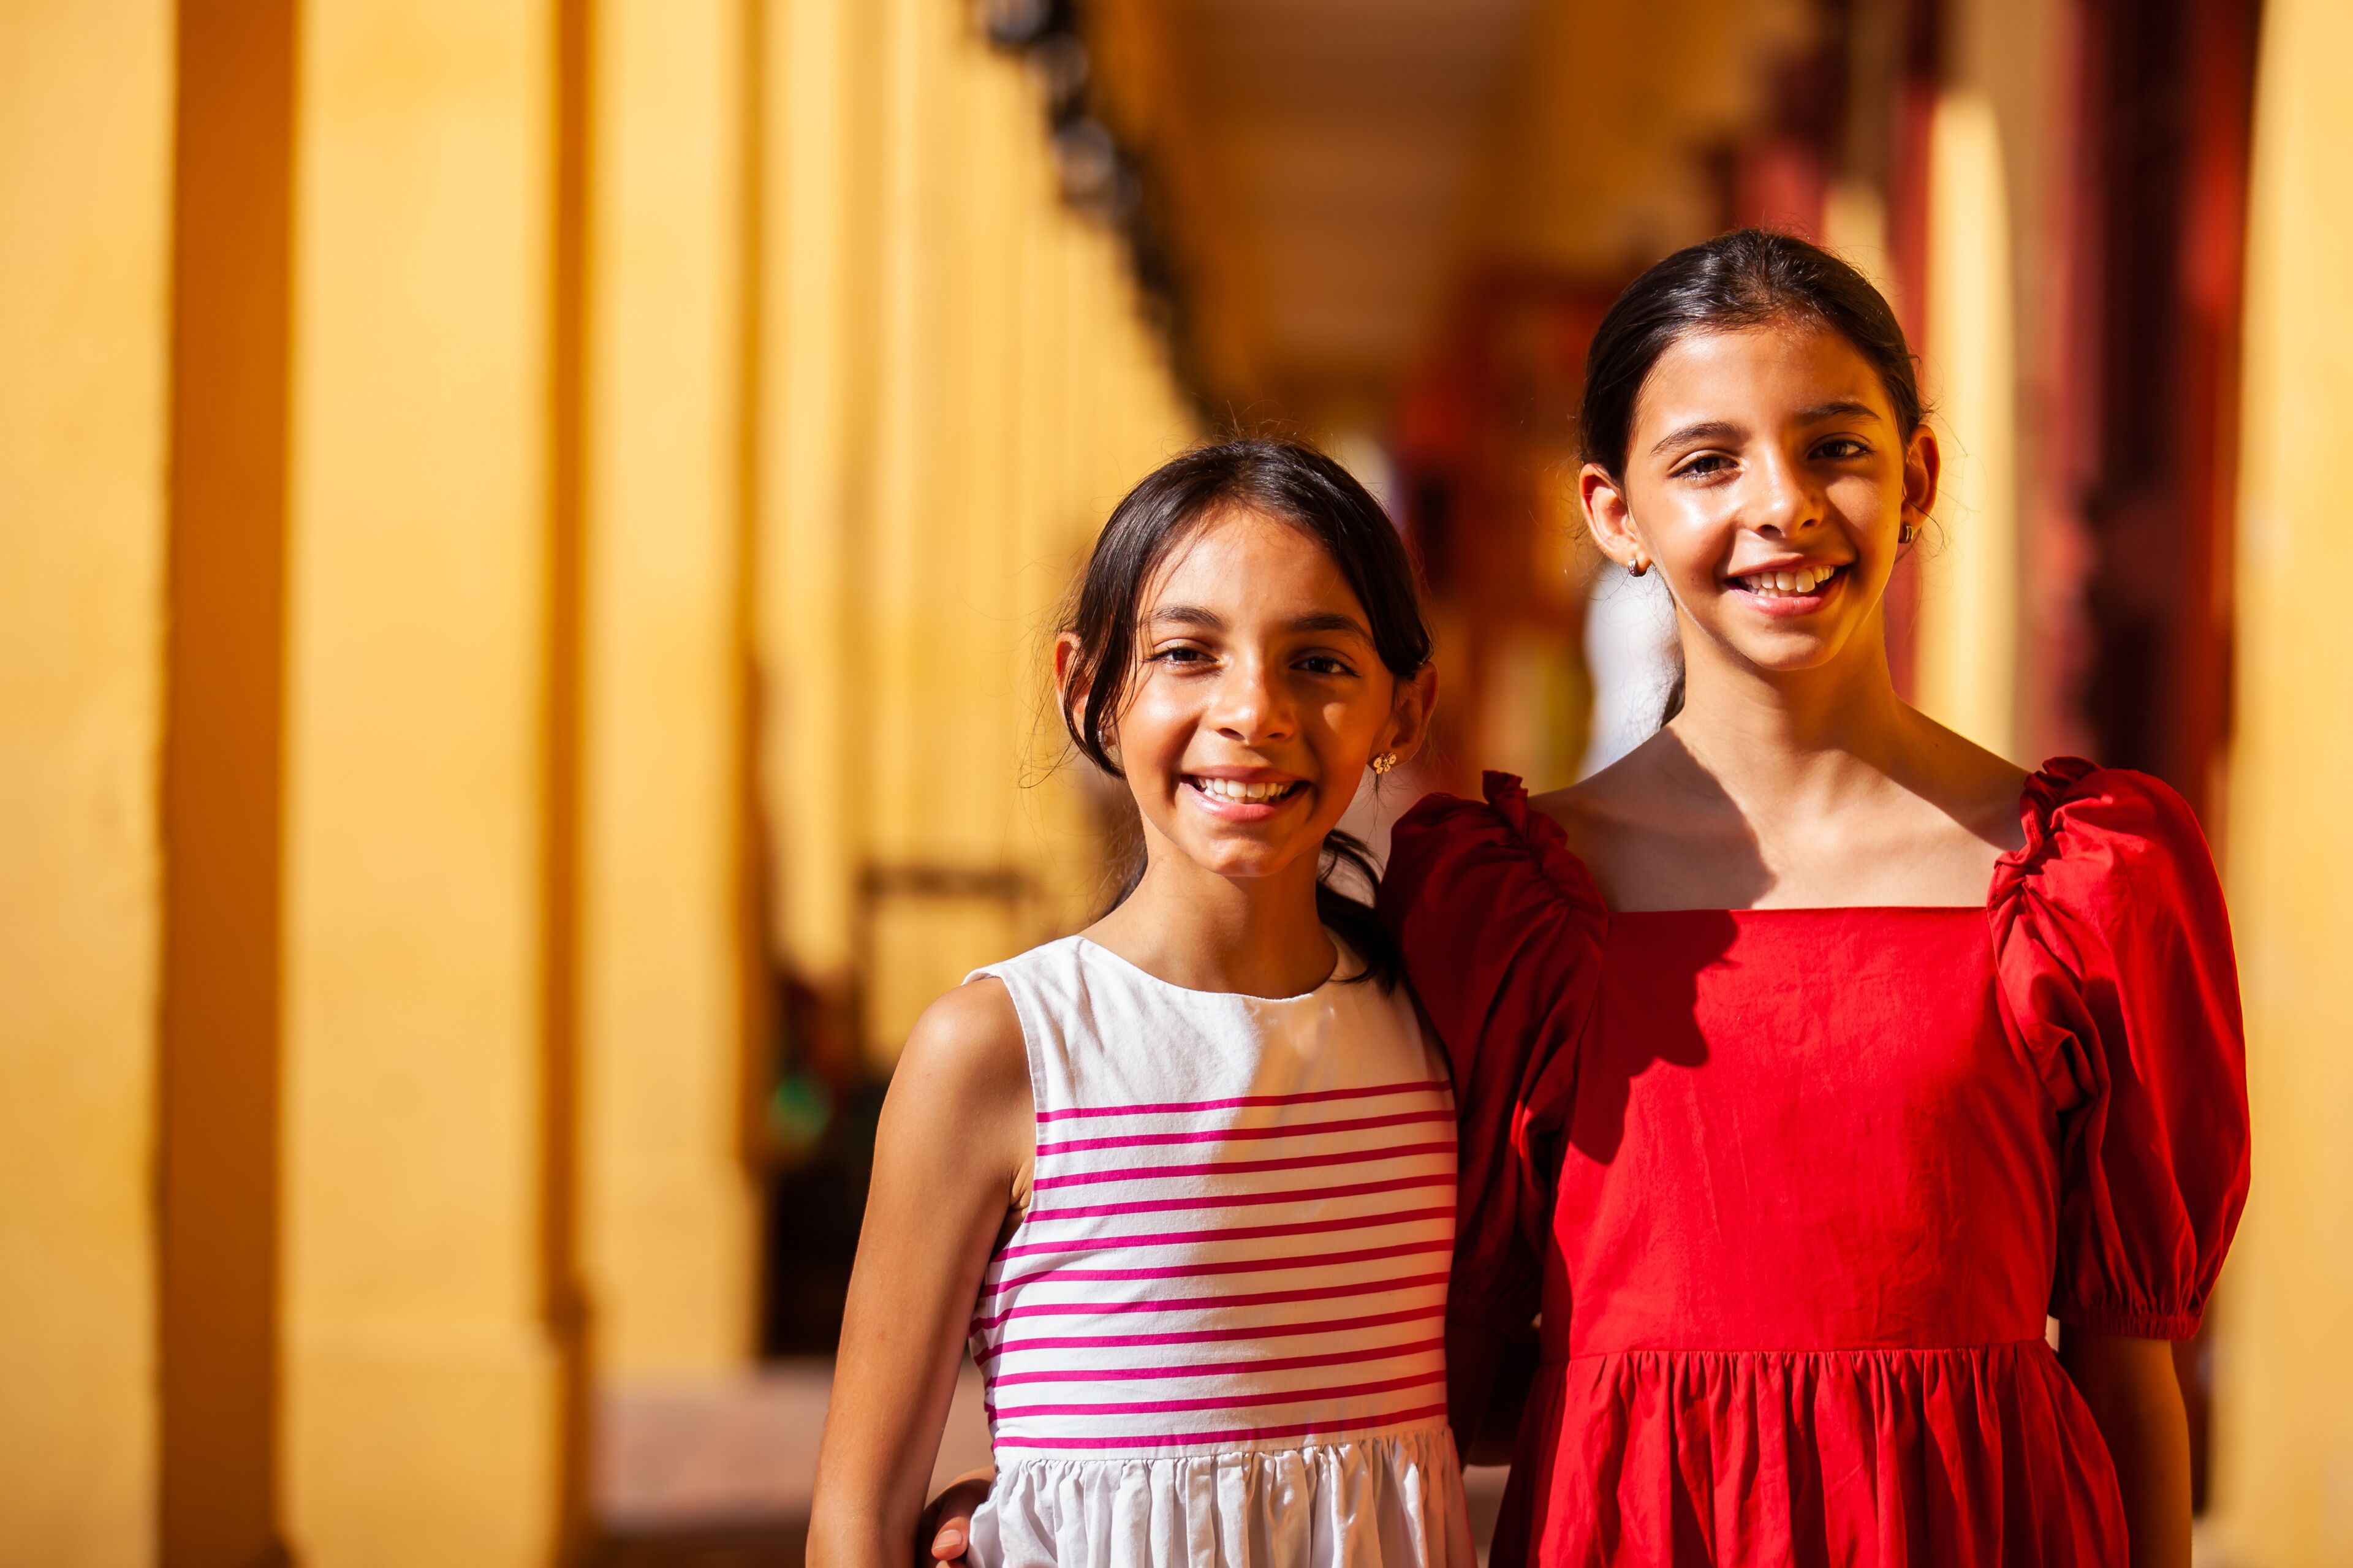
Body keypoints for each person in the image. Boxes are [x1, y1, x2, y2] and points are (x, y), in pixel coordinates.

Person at [1377, 229, 2249, 1566]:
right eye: (1709, 461)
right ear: (1617, 512)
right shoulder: (1512, 911)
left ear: (1918, 477)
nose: (1781, 504)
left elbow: (2134, 1376)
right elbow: (1436, 1381)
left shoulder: (2082, 882)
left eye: (1835, 446)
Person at [806, 439, 1473, 1568]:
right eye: (1187, 653)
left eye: (1318, 662)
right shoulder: (1006, 1048)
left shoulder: (1437, 1032)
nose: (1253, 711)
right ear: (1090, 691)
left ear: (1403, 714)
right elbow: (858, 1516)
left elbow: (1480, 1393)